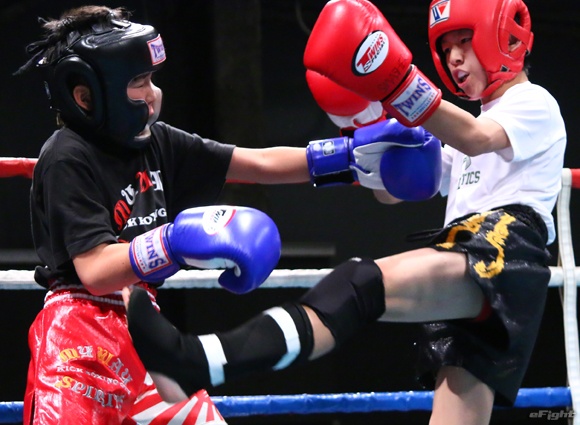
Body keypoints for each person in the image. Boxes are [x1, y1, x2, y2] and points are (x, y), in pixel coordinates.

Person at [123, 0, 567, 424]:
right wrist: (366, 126)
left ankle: (200, 360)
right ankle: (196, 362)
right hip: (481, 259)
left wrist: (398, 84)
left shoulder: (532, 103)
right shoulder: (470, 125)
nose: (453, 58)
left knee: (358, 284)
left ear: (502, 38)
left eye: (463, 42)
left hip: (503, 252)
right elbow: (396, 193)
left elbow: (475, 138)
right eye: (446, 48)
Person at [14, 5, 442, 425]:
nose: (153, 94)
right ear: (86, 95)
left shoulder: (155, 141)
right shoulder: (67, 157)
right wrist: (171, 243)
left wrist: (347, 158)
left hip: (141, 331)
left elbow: (256, 163)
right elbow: (94, 270)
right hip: (78, 340)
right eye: (139, 82)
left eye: (152, 79)